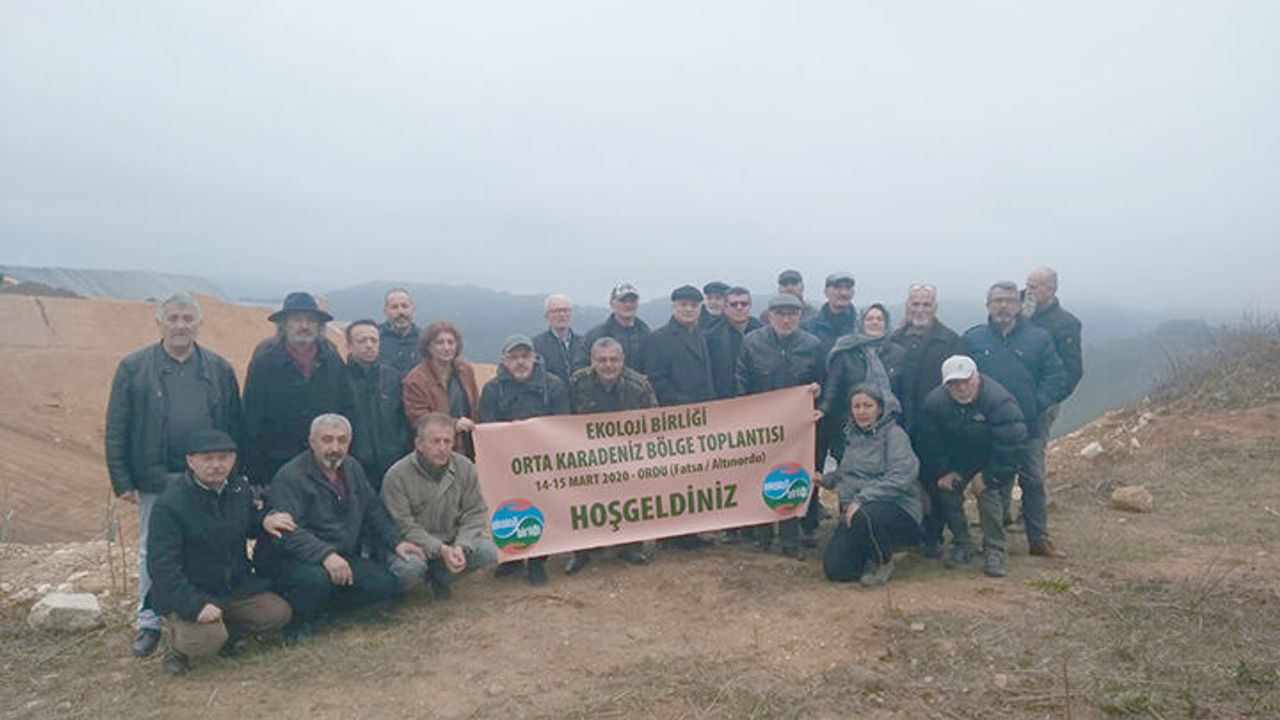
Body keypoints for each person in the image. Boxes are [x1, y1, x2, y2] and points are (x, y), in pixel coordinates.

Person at [105, 293, 243, 658]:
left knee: (212, 544)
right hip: (155, 477)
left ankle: (212, 611)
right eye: (173, 318)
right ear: (159, 323)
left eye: (187, 318)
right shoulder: (133, 368)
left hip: (209, 477)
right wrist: (122, 479)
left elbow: (234, 424)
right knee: (152, 549)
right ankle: (149, 621)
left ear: (198, 324)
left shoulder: (219, 368)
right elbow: (117, 425)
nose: (180, 325)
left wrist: (234, 472)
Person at [146, 430, 295, 675]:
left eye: (223, 457)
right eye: (208, 458)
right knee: (205, 641)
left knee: (277, 613)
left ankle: (227, 632)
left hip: (232, 587)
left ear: (233, 459)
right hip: (192, 589)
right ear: (191, 461)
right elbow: (161, 566)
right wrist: (195, 605)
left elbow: (247, 522)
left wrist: (265, 520)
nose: (216, 465)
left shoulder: (238, 489)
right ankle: (175, 645)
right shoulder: (171, 504)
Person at [266, 414, 423, 643]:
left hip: (341, 554)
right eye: (327, 439)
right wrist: (326, 555)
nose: (335, 447)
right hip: (296, 558)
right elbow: (287, 532)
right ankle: (299, 623)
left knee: (384, 584)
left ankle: (330, 611)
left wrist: (396, 541)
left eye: (342, 440)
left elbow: (372, 509)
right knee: (316, 581)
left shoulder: (352, 467)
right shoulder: (291, 477)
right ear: (312, 442)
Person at [964, 281, 1070, 558]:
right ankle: (993, 540)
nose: (1003, 306)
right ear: (988, 305)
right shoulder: (973, 339)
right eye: (997, 300)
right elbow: (962, 379)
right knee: (992, 482)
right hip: (986, 426)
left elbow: (1056, 376)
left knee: (1032, 480)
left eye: (1010, 301)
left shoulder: (1039, 338)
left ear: (1019, 305)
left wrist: (1036, 404)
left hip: (1028, 425)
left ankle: (1039, 538)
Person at [916, 356, 1028, 577]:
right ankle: (962, 544)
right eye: (954, 384)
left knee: (988, 495)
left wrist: (989, 476)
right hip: (957, 460)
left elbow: (1012, 444)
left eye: (966, 381)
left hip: (992, 459)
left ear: (977, 378)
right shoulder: (934, 403)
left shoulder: (999, 401)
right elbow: (929, 442)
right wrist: (944, 470)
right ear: (945, 385)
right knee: (947, 491)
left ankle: (995, 549)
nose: (961, 388)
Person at [736, 294, 825, 559]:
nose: (786, 320)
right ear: (770, 316)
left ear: (800, 316)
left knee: (790, 478)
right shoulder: (751, 342)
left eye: (792, 314)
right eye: (780, 314)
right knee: (759, 476)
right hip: (760, 426)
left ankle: (790, 540)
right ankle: (762, 537)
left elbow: (824, 382)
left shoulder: (813, 345)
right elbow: (740, 380)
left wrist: (819, 396)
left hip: (796, 428)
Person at [477, 334, 571, 584]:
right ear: (504, 360)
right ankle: (514, 557)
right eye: (514, 357)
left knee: (544, 508)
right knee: (509, 508)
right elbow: (486, 425)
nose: (520, 362)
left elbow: (562, 423)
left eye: (525, 356)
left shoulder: (554, 385)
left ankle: (538, 560)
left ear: (534, 357)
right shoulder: (492, 389)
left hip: (544, 461)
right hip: (506, 461)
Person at [564, 337, 658, 572]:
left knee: (632, 501)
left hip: (629, 458)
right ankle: (581, 552)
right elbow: (562, 421)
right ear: (592, 361)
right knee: (584, 504)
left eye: (613, 359)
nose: (608, 365)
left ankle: (632, 546)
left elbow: (655, 422)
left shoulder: (639, 385)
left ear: (622, 360)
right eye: (602, 360)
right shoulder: (577, 383)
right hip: (586, 459)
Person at [381, 413, 499, 599]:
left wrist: (461, 546)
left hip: (451, 540)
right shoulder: (396, 476)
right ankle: (401, 592)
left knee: (487, 551)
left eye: (447, 441)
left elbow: (475, 512)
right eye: (435, 441)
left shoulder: (465, 467)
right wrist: (439, 549)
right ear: (419, 443)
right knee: (410, 569)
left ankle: (441, 577)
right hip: (413, 544)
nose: (442, 448)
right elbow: (402, 524)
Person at [885, 285, 964, 558]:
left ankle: (933, 536)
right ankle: (904, 534)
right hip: (900, 425)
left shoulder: (950, 341)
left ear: (935, 308)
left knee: (934, 481)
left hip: (936, 426)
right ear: (908, 307)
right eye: (915, 304)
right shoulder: (894, 340)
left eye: (926, 304)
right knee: (902, 481)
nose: (920, 310)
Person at [242, 292, 352, 487]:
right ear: (284, 324)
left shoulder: (333, 360)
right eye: (297, 320)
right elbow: (252, 420)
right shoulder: (264, 363)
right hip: (277, 463)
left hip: (324, 461)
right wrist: (255, 474)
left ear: (318, 325)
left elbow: (345, 408)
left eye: (311, 320)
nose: (304, 326)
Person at [821, 385, 922, 586]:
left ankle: (883, 561)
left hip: (898, 508)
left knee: (864, 515)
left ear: (880, 408)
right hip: (856, 512)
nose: (862, 411)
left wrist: (862, 499)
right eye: (856, 406)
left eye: (868, 406)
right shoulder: (851, 434)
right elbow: (848, 471)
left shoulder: (895, 435)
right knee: (836, 570)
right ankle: (868, 551)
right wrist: (826, 479)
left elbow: (902, 476)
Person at [343, 319, 411, 491]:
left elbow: (403, 419)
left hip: (392, 465)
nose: (369, 345)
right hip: (354, 468)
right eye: (362, 340)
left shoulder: (393, 378)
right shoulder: (339, 379)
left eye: (374, 340)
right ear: (349, 345)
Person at [402, 321, 480, 459]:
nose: (446, 347)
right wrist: (454, 424)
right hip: (436, 450)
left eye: (451, 342)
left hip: (469, 446)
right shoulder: (415, 379)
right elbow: (419, 419)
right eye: (440, 343)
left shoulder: (465, 370)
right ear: (428, 347)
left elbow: (475, 405)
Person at [643, 285, 717, 406]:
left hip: (705, 408)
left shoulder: (700, 335)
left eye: (694, 305)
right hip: (676, 410)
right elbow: (657, 381)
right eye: (683, 305)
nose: (689, 309)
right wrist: (685, 403)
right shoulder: (658, 338)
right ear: (673, 307)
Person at [573, 283, 651, 372]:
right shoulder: (596, 335)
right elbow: (580, 366)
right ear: (612, 304)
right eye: (623, 301)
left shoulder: (646, 334)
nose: (628, 305)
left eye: (632, 301)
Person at [705, 286, 764, 400]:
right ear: (725, 307)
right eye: (734, 304)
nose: (739, 307)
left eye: (744, 304)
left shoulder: (763, 333)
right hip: (724, 399)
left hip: (758, 398)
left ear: (750, 306)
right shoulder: (711, 337)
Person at [532, 294, 584, 385]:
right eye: (556, 311)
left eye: (565, 310)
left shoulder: (584, 343)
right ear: (546, 316)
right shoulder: (536, 345)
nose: (561, 314)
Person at [804, 272, 858, 350]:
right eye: (837, 288)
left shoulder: (862, 327)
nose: (843, 293)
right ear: (826, 292)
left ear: (853, 293)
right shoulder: (808, 327)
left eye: (848, 288)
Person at [378, 287, 422, 377]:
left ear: (413, 309)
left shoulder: (425, 339)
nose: (400, 312)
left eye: (405, 306)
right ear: (385, 311)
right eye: (394, 307)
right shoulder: (374, 338)